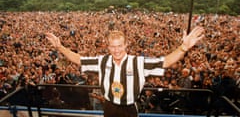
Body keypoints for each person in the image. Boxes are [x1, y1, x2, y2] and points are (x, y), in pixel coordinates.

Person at [45, 26, 204, 117]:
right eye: (113, 46)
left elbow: (165, 62)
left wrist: (184, 47)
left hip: (129, 108)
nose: (116, 50)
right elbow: (79, 59)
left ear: (126, 45)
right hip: (109, 106)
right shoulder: (103, 61)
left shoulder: (137, 62)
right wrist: (59, 47)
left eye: (120, 45)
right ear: (108, 47)